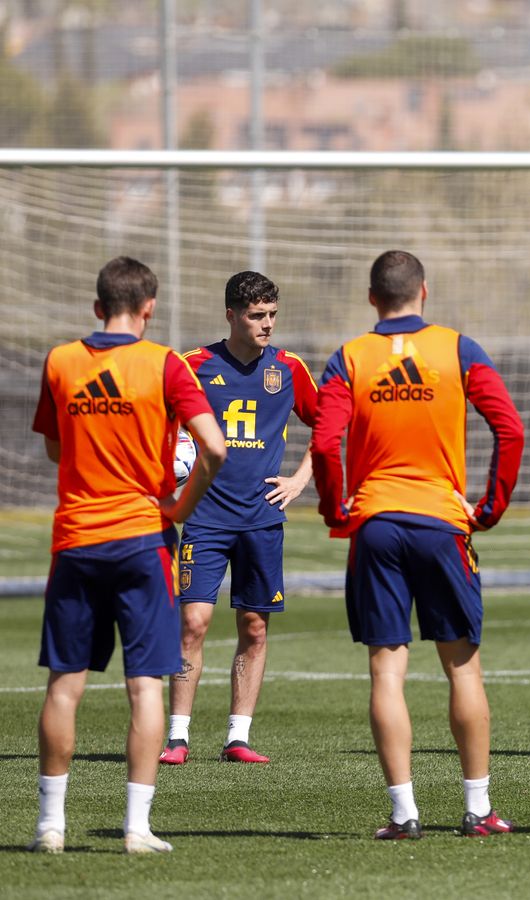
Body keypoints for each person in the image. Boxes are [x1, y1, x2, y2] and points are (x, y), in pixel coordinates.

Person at [311, 250, 526, 839]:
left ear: (372, 297)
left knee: (387, 671)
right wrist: (489, 509)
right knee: (462, 667)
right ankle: (477, 809)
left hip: (376, 525)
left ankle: (404, 813)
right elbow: (510, 428)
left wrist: (336, 509)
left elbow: (324, 443)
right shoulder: (458, 349)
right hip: (441, 524)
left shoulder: (349, 357)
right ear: (423, 292)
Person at [30, 256, 225, 854]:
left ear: (98, 306)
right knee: (145, 687)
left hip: (77, 540)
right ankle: (136, 829)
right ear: (149, 307)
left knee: (65, 685)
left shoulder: (61, 361)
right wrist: (181, 506)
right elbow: (215, 448)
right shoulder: (165, 363)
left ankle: (49, 826)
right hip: (143, 539)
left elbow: (54, 449)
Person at [159, 271, 318, 767]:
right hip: (205, 517)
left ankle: (238, 737)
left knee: (254, 627)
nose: (267, 324)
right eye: (256, 316)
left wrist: (300, 479)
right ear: (231, 315)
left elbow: (331, 424)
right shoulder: (193, 365)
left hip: (262, 518)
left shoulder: (289, 368)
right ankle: (177, 737)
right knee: (193, 623)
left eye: (272, 315)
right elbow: (157, 423)